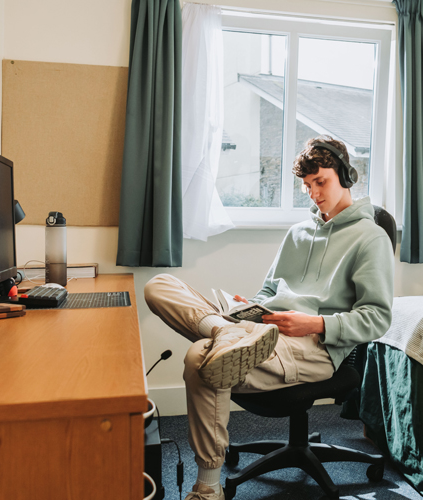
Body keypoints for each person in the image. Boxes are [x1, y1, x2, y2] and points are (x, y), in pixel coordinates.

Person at [144, 135, 395, 500]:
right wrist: (249, 307)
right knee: (159, 285)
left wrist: (315, 323)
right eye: (307, 186)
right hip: (259, 330)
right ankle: (224, 330)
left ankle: (208, 487)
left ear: (345, 175)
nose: (313, 193)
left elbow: (378, 317)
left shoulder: (370, 238)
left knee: (200, 356)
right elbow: (269, 290)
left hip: (314, 346)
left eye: (320, 182)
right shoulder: (298, 232)